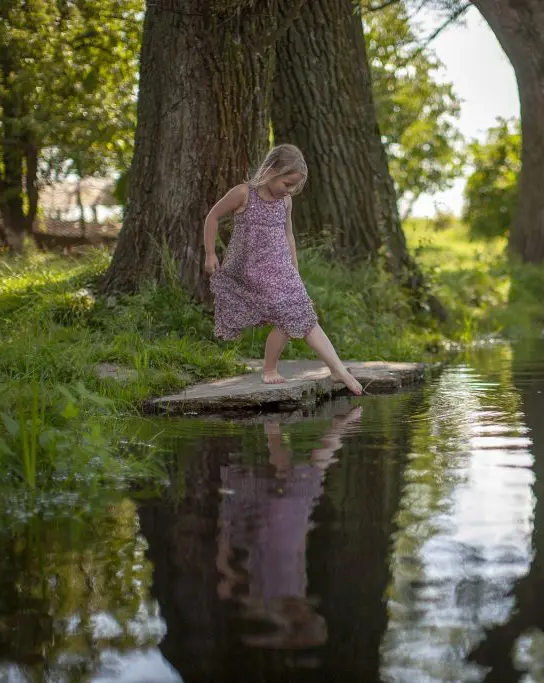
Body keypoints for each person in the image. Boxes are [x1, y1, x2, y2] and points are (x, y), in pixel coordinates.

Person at [203, 144, 362, 395]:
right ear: (271, 170)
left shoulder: (285, 202)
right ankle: (278, 369)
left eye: (294, 187)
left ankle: (335, 369)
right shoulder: (244, 194)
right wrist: (210, 253)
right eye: (287, 184)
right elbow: (212, 216)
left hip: (282, 269)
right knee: (290, 312)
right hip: (254, 269)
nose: (290, 190)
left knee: (301, 314)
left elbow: (288, 235)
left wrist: (294, 270)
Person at [215, 403, 364, 649]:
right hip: (285, 524)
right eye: (307, 615)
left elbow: (287, 561)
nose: (304, 612)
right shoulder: (291, 593)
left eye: (304, 617)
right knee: (307, 472)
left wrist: (226, 570)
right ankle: (332, 425)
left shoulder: (268, 599)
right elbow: (299, 559)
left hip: (274, 526)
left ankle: (279, 424)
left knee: (303, 474)